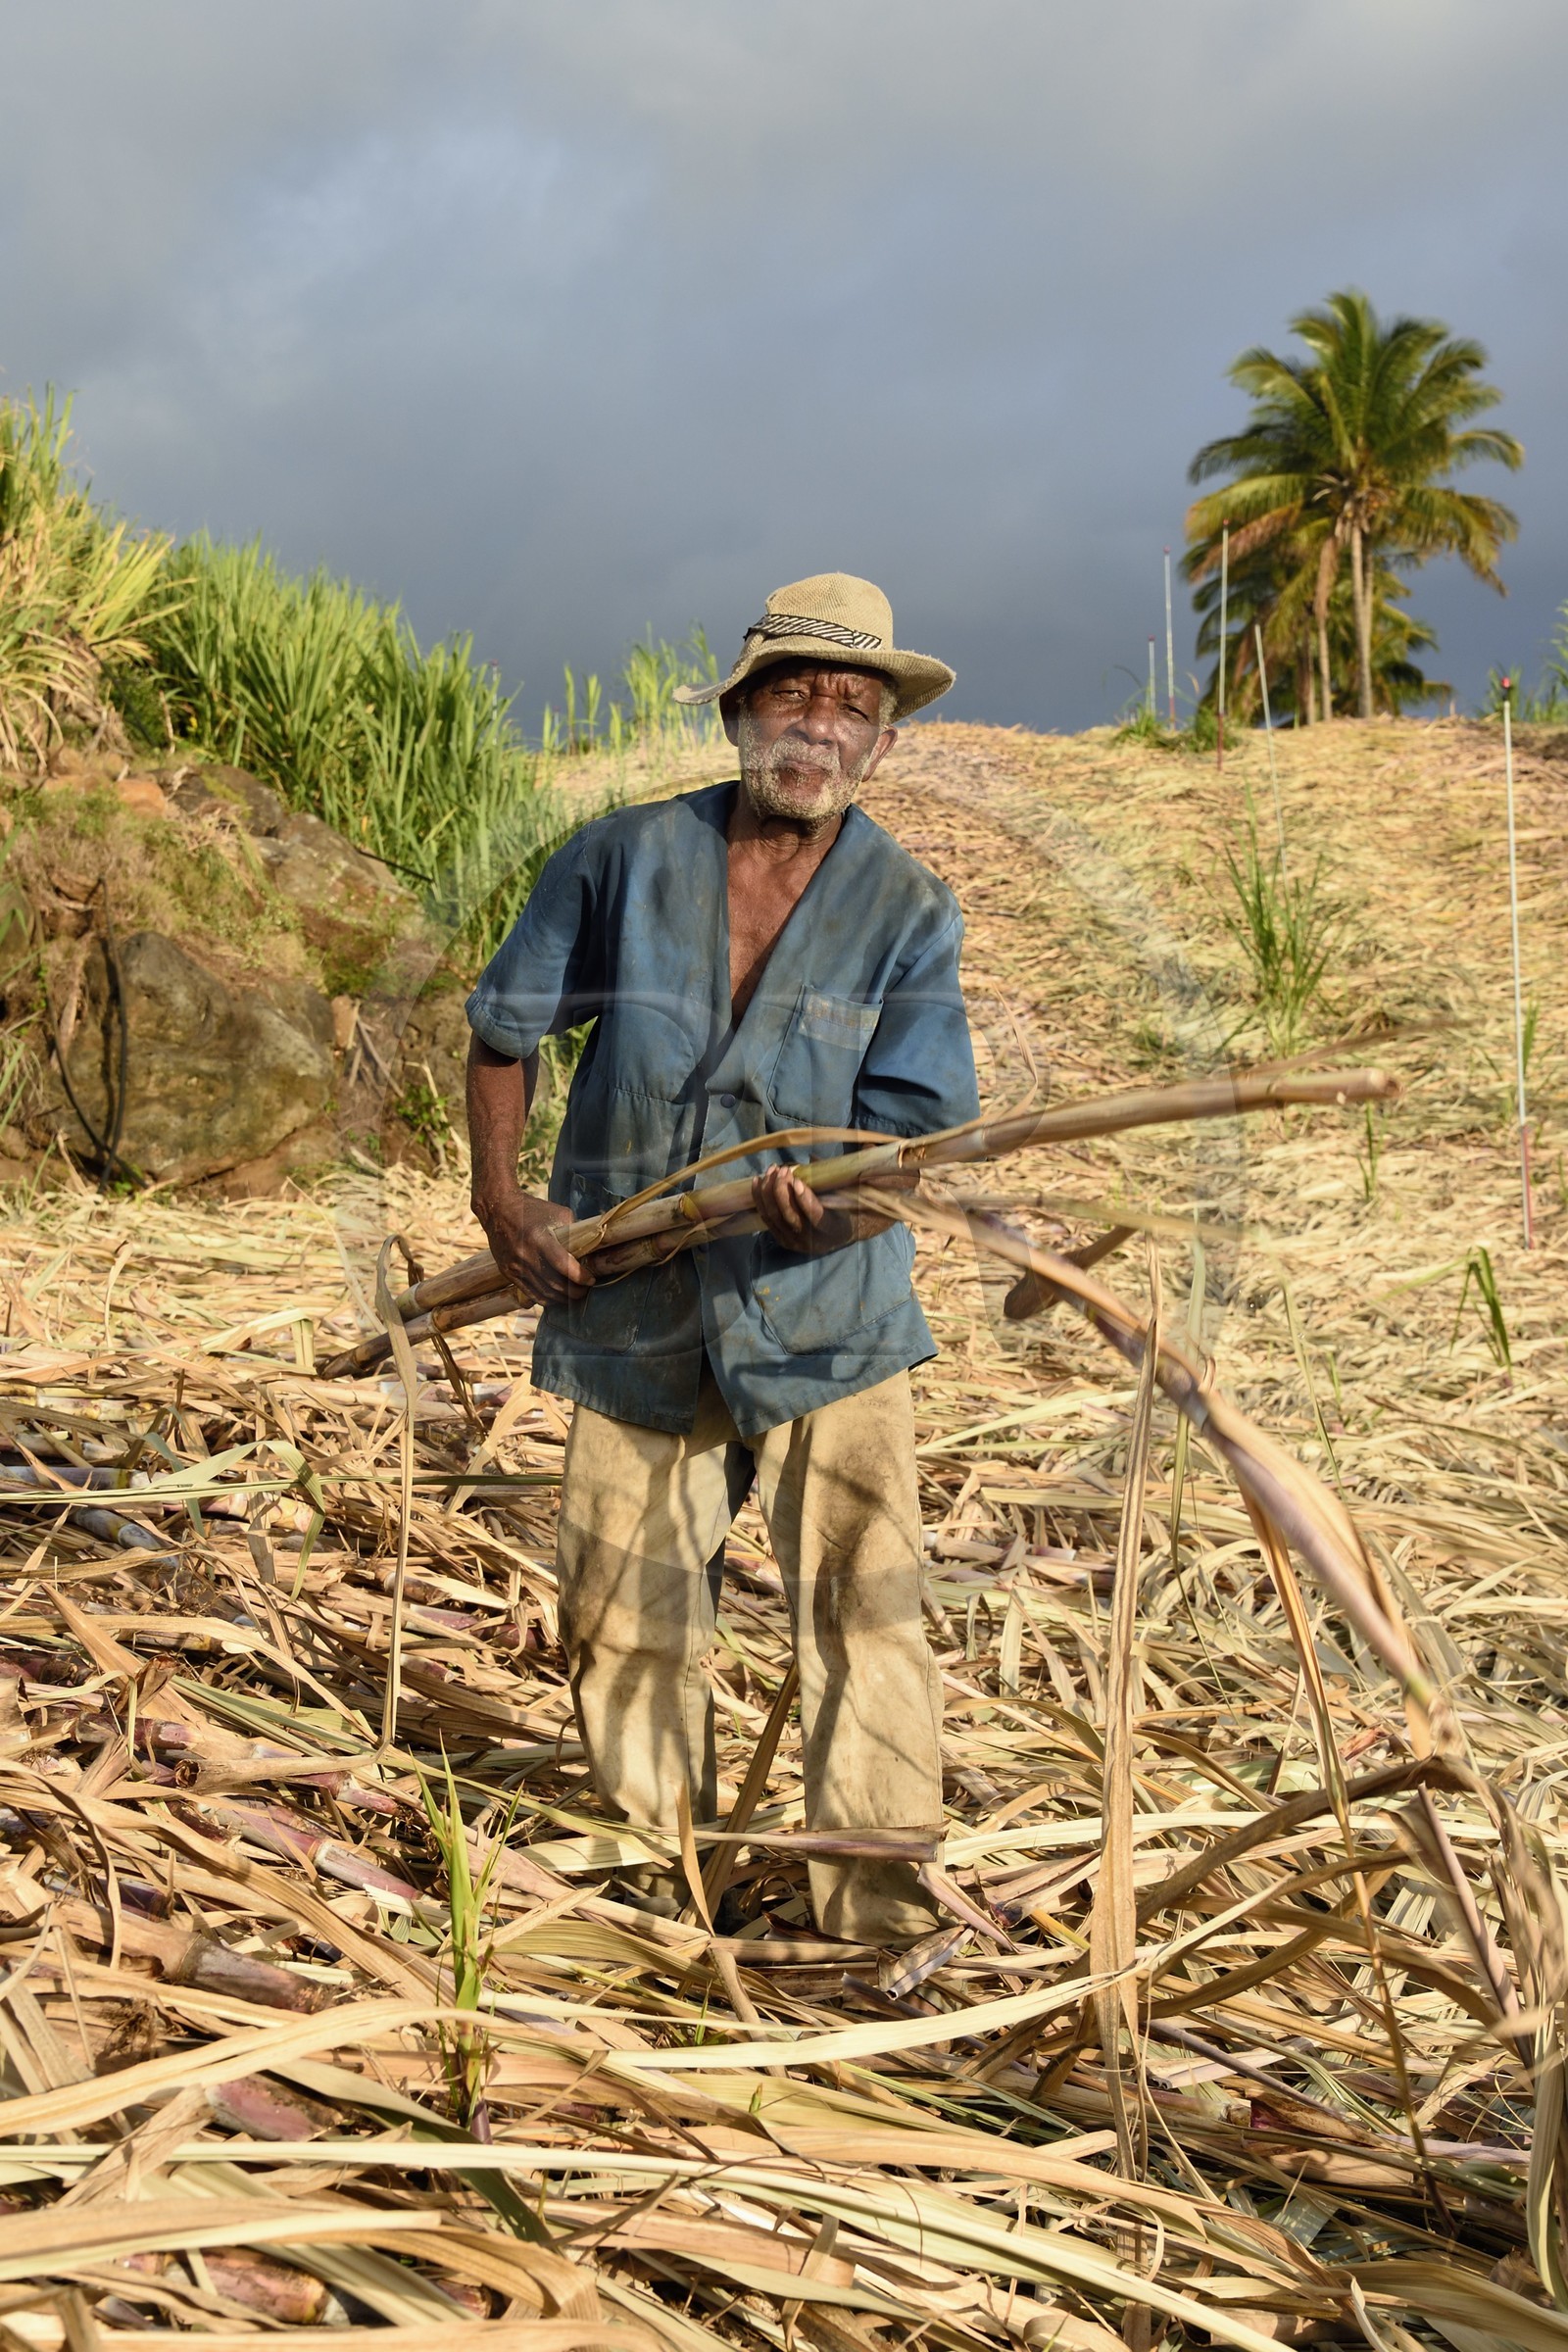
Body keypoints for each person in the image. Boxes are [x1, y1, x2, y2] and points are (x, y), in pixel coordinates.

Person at [465, 573, 979, 1944]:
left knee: (865, 1611)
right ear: (742, 711)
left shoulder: (910, 913)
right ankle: (660, 1887)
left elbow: (914, 1146)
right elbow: (503, 1032)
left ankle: (873, 1916)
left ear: (881, 744)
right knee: (621, 1602)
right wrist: (503, 1201)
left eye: (851, 709)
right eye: (796, 697)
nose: (820, 729)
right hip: (629, 1295)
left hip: (826, 1315)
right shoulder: (618, 859)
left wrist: (843, 1207)